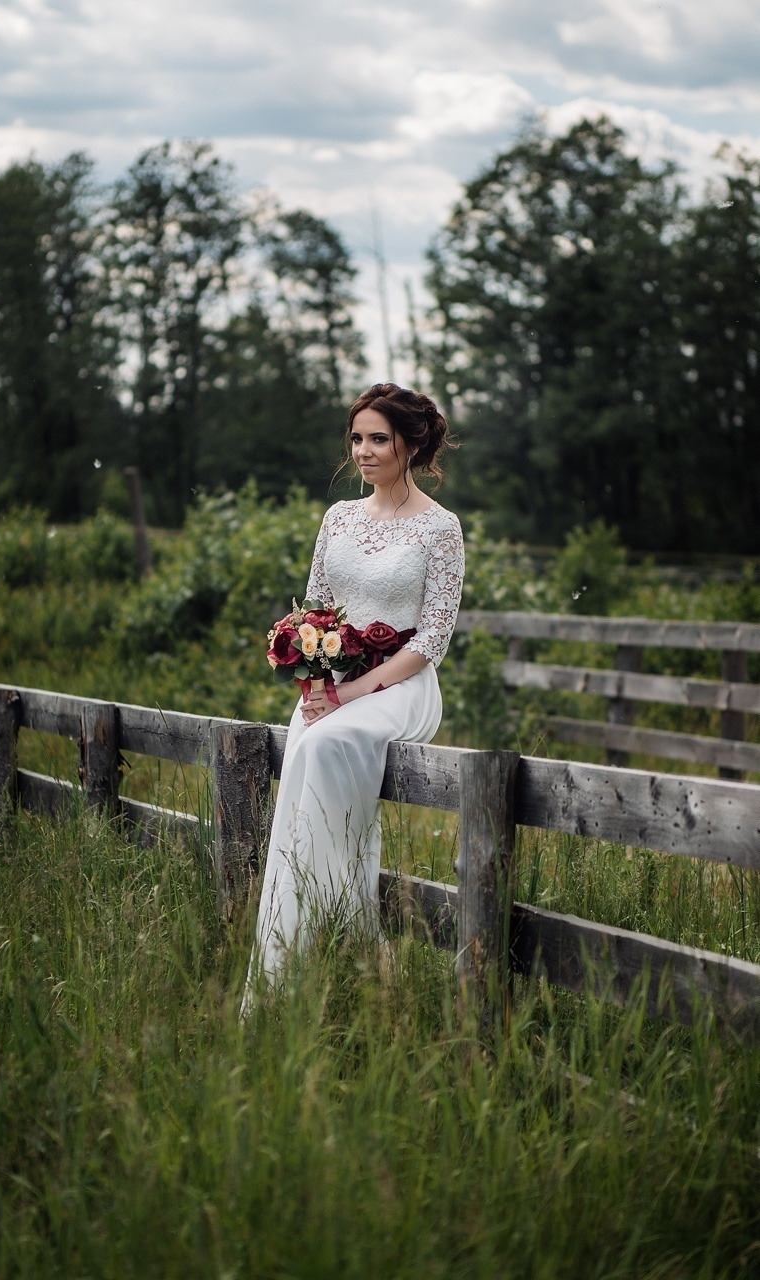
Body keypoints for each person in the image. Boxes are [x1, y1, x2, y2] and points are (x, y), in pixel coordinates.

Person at [244, 382, 465, 1004]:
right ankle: (301, 947)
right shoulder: (337, 517)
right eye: (357, 437)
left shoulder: (440, 529)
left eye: (378, 439)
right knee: (309, 746)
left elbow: (433, 640)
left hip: (401, 683)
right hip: (330, 683)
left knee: (331, 739)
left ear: (411, 444)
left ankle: (342, 928)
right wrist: (317, 685)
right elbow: (313, 612)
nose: (363, 451)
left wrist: (353, 693)